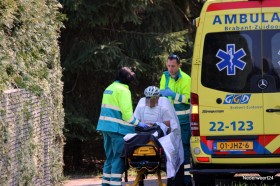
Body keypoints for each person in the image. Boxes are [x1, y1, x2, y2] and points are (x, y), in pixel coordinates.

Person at [97, 67, 148, 186]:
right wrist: (138, 123)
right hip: (117, 130)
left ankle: (105, 184)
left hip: (105, 127)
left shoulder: (109, 88)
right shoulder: (123, 90)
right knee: (118, 158)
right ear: (127, 79)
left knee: (109, 157)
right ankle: (115, 184)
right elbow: (127, 116)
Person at [160, 54, 192, 186]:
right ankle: (173, 180)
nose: (170, 69)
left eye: (173, 66)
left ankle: (186, 181)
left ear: (179, 65)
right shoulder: (165, 76)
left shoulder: (186, 79)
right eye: (168, 66)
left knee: (184, 149)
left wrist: (173, 95)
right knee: (171, 149)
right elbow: (162, 95)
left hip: (183, 120)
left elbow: (189, 99)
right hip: (169, 120)